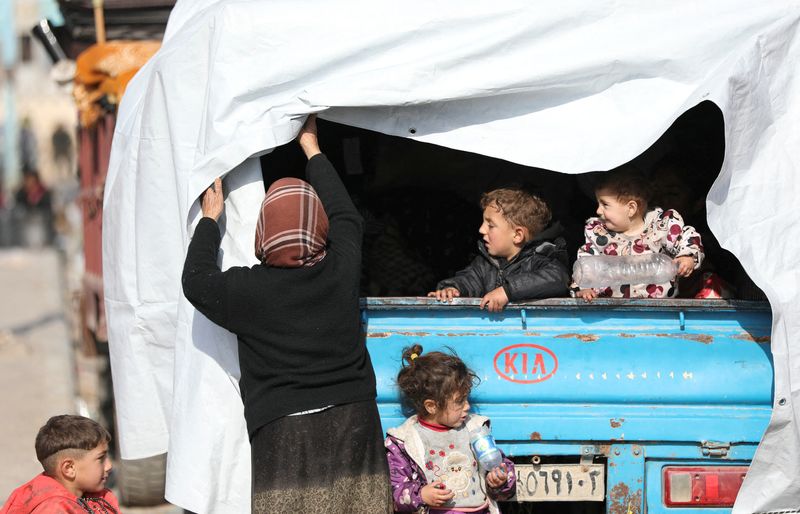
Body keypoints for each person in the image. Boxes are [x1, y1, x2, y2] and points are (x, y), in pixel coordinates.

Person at [181, 115, 392, 514]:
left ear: (262, 231)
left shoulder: (246, 290)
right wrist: (312, 148)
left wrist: (210, 219)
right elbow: (348, 218)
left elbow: (196, 280)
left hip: (282, 430)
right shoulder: (340, 267)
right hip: (354, 418)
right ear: (319, 227)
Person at [385, 345, 516, 513]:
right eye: (460, 401)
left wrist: (500, 480)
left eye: (467, 399)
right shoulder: (405, 441)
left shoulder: (474, 428)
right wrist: (421, 495)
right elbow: (395, 492)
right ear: (431, 406)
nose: (468, 406)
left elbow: (502, 467)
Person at [573, 166, 704, 300]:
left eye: (605, 204)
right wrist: (584, 287)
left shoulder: (661, 226)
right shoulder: (598, 233)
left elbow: (687, 237)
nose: (598, 211)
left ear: (631, 208)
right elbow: (584, 265)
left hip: (660, 311)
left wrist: (687, 256)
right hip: (611, 311)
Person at [428, 188, 570, 311]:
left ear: (517, 235)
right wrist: (452, 288)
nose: (481, 229)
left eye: (490, 225)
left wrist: (507, 291)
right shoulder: (484, 264)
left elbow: (558, 278)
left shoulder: (542, 258)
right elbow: (468, 280)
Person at [0, 415, 118, 514]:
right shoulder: (52, 509)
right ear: (69, 468)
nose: (109, 466)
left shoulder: (90, 495)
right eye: (101, 458)